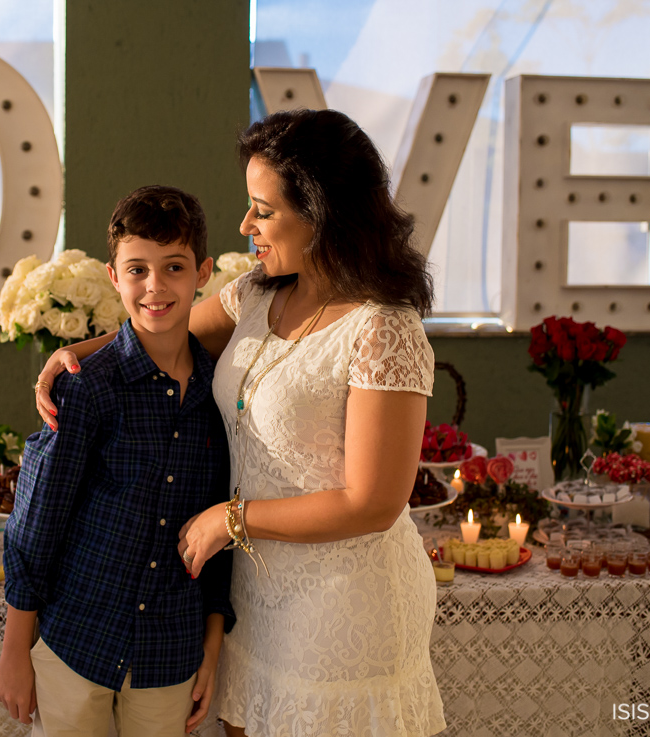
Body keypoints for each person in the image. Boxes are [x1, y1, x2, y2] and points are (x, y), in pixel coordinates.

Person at [34, 109, 447, 736]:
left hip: (344, 603)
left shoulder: (384, 327)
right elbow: (159, 330)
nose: (245, 225)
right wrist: (74, 356)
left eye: (264, 209)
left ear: (322, 213)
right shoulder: (259, 291)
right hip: (255, 596)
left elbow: (374, 503)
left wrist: (231, 520)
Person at [0, 185, 236, 737]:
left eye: (173, 267)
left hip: (170, 654)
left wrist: (212, 645)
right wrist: (15, 649)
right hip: (78, 638)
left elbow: (222, 530)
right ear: (113, 277)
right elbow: (37, 522)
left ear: (201, 274)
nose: (155, 286)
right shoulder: (86, 387)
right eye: (137, 270)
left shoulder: (219, 395)